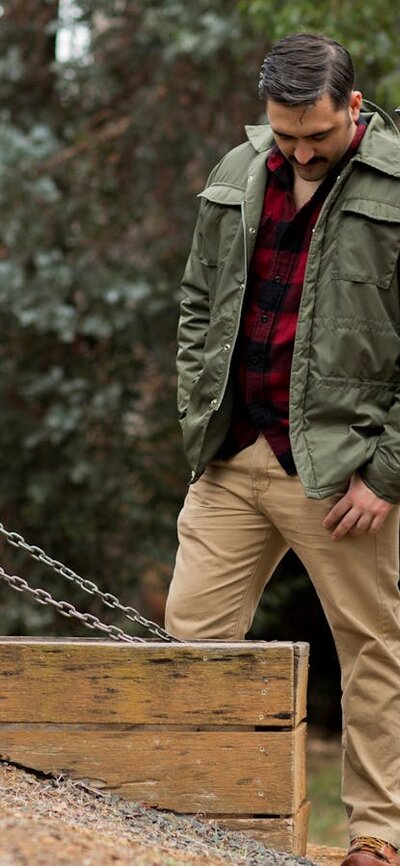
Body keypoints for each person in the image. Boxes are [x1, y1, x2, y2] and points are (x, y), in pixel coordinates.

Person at [165, 32, 400, 866]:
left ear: (355, 108)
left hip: (345, 473)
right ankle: (199, 823)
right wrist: (199, 405)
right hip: (234, 457)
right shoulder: (237, 170)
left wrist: (387, 472)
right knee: (190, 648)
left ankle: (376, 838)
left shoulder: (397, 189)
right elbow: (199, 299)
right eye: (286, 133)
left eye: (319, 136)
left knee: (374, 651)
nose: (301, 151)